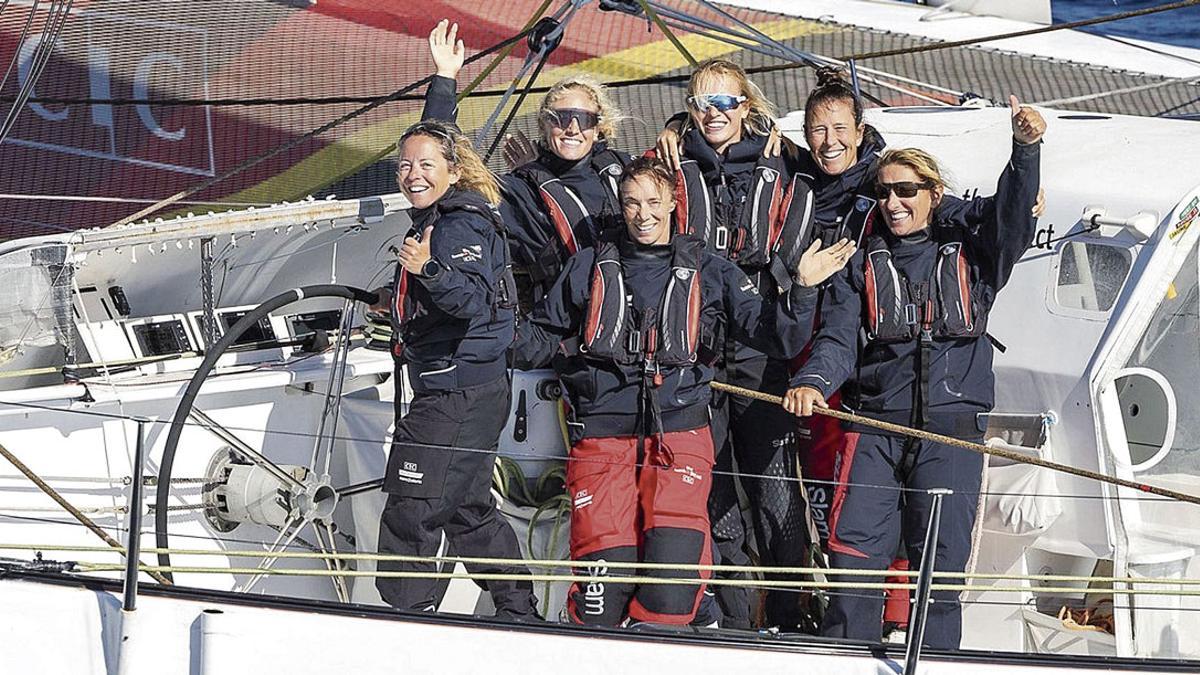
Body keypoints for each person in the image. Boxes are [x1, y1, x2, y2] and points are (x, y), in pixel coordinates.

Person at [512, 156, 853, 627]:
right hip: (603, 440)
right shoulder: (588, 267)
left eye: (653, 202)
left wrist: (803, 288)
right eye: (631, 203)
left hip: (680, 437)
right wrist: (480, 331)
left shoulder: (711, 270)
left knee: (669, 597)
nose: (643, 214)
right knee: (599, 603)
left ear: (674, 202)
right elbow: (536, 338)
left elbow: (776, 336)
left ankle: (702, 615)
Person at [783, 96, 1046, 649]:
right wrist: (812, 381)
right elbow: (837, 337)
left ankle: (936, 659)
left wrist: (1025, 150)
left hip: (949, 432)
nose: (893, 203)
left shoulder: (978, 254)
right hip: (875, 426)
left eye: (906, 191)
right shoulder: (860, 261)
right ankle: (846, 656)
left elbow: (1014, 216)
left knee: (938, 570)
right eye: (883, 193)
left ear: (933, 194)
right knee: (853, 559)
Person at [654, 58, 829, 630]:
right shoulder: (669, 165)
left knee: (776, 491)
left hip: (761, 352)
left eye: (726, 102)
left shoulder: (786, 163)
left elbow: (853, 158)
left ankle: (791, 612)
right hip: (697, 354)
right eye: (702, 103)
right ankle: (734, 616)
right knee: (714, 492)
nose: (714, 113)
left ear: (746, 107)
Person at [370, 119, 538, 621]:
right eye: (405, 165)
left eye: (426, 165)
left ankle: (407, 616)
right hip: (471, 389)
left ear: (454, 171)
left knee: (412, 504)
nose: (413, 175)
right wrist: (397, 298)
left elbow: (472, 300)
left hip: (456, 395)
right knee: (466, 509)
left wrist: (427, 271)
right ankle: (518, 611)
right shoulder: (443, 216)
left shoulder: (458, 225)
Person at [423, 19, 632, 309]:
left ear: (598, 129)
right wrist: (445, 79)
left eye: (584, 119)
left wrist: (674, 126)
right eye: (561, 118)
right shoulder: (520, 189)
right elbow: (444, 163)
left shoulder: (622, 172)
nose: (572, 128)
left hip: (621, 307)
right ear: (545, 125)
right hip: (557, 318)